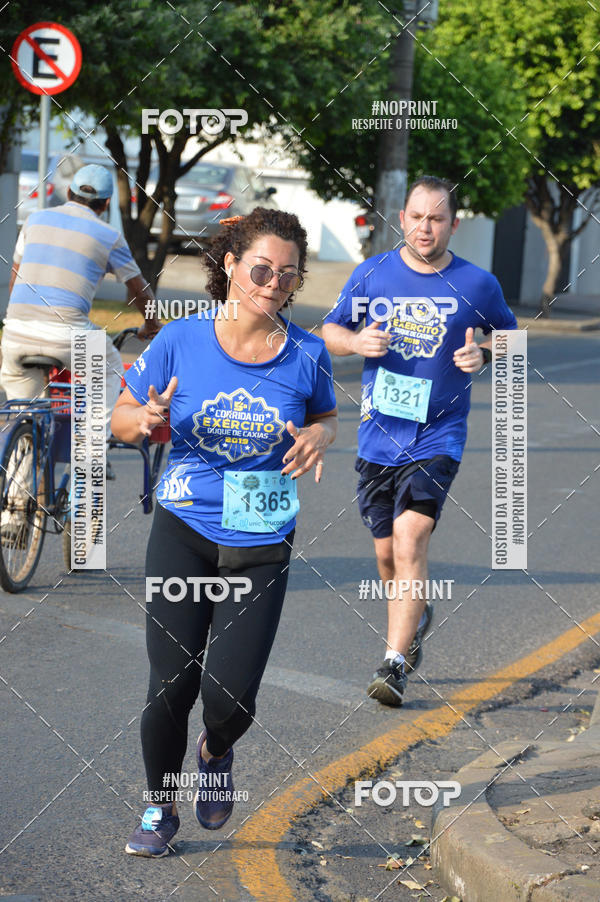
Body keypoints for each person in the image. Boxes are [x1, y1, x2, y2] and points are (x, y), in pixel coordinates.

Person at [111, 208, 337, 856]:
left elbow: (325, 415)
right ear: (230, 266)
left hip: (262, 535)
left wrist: (321, 433)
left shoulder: (307, 353)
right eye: (261, 268)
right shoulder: (180, 341)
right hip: (184, 527)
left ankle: (215, 751)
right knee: (169, 684)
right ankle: (159, 808)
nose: (272, 283)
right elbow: (122, 417)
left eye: (287, 275)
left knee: (230, 698)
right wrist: (145, 419)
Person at [322, 175, 517, 707]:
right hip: (377, 438)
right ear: (401, 219)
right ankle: (417, 615)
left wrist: (488, 354)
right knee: (387, 555)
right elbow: (329, 331)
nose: (425, 227)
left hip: (438, 435)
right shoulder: (373, 274)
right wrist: (356, 340)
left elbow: (510, 336)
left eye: (436, 218)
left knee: (411, 540)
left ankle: (394, 665)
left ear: (454, 224)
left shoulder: (478, 285)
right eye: (416, 216)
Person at [1, 163, 160, 435]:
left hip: (16, 334)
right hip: (69, 338)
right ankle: (91, 453)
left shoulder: (34, 220)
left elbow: (15, 278)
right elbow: (139, 289)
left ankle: (22, 457)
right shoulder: (109, 236)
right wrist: (152, 324)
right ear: (106, 203)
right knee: (109, 368)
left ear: (68, 192)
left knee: (25, 419)